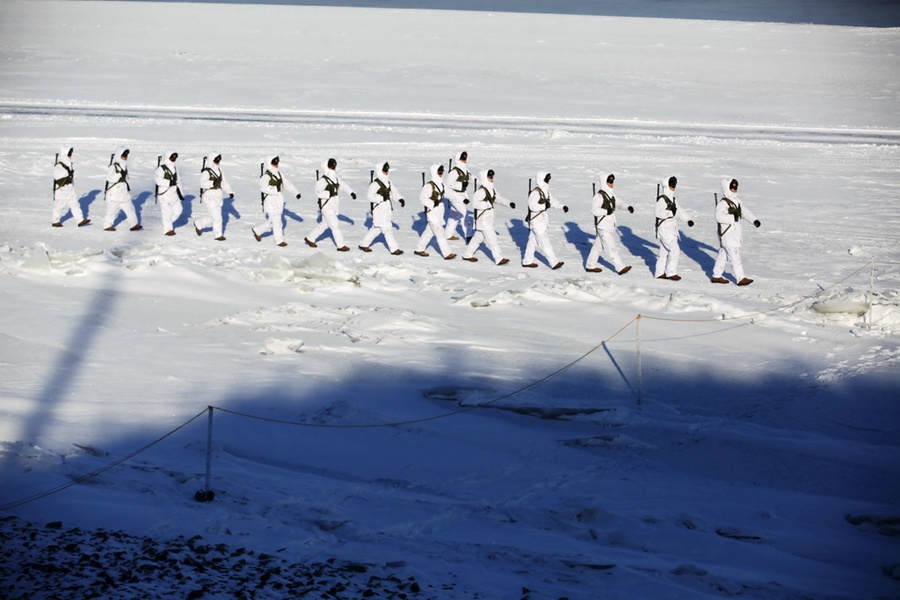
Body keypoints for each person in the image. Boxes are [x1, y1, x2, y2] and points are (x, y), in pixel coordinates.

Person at [711, 178, 760, 286]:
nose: (734, 189)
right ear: (727, 188)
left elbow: (744, 212)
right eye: (732, 187)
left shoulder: (737, 201)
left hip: (734, 233)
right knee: (734, 256)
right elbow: (718, 217)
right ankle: (740, 278)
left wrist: (754, 220)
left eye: (735, 187)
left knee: (723, 254)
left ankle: (716, 275)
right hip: (727, 233)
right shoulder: (723, 203)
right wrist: (733, 218)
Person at [462, 169, 515, 264]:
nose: (492, 179)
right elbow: (475, 204)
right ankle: (499, 258)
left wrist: (508, 203)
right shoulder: (481, 191)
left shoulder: (492, 189)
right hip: (483, 219)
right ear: (485, 178)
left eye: (492, 177)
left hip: (488, 218)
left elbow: (498, 198)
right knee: (492, 238)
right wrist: (487, 204)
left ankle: (467, 254)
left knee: (478, 238)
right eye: (490, 177)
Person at [585, 172, 633, 274]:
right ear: (604, 182)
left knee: (597, 247)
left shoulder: (610, 194)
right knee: (611, 247)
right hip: (603, 226)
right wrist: (606, 211)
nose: (611, 184)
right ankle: (620, 267)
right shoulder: (599, 196)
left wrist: (627, 207)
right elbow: (594, 210)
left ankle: (590, 265)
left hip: (609, 225)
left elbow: (618, 202)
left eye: (612, 182)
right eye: (609, 182)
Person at [305, 158, 356, 251]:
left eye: (334, 166)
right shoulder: (323, 180)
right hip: (326, 206)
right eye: (331, 166)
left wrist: (351, 192)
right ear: (327, 167)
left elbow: (343, 186)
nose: (333, 168)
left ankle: (310, 238)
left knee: (324, 224)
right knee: (335, 225)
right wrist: (328, 193)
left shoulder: (335, 179)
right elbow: (317, 192)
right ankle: (341, 245)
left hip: (334, 205)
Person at [253, 155, 301, 247]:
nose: (276, 165)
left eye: (277, 162)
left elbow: (287, 184)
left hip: (278, 200)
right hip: (270, 201)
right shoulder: (266, 176)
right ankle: (279, 240)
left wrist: (296, 193)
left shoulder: (279, 174)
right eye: (274, 163)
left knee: (272, 221)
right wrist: (275, 190)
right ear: (269, 163)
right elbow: (262, 187)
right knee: (277, 221)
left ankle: (257, 230)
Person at [522, 172, 567, 269]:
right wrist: (543, 206)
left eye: (548, 179)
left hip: (541, 219)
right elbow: (532, 206)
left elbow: (552, 201)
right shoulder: (535, 193)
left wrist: (562, 206)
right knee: (545, 242)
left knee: (532, 242)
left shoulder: (545, 191)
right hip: (536, 220)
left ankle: (527, 261)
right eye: (546, 179)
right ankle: (554, 262)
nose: (548, 181)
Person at [359, 161, 405, 255]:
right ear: (380, 170)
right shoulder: (375, 184)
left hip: (386, 209)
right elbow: (369, 196)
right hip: (379, 209)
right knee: (387, 229)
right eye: (384, 170)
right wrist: (380, 198)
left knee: (376, 229)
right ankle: (394, 249)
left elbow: (394, 192)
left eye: (387, 170)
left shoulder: (388, 182)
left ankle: (364, 244)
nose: (386, 172)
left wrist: (399, 199)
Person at [654, 175, 694, 281]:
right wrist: (669, 212)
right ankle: (671, 272)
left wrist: (687, 219)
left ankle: (659, 272)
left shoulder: (672, 199)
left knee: (664, 251)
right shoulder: (662, 199)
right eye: (671, 185)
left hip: (671, 227)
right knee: (674, 250)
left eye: (674, 185)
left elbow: (679, 211)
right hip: (665, 228)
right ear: (666, 185)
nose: (673, 187)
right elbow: (658, 213)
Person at [414, 164, 456, 260]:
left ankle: (419, 249)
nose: (441, 174)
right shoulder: (429, 186)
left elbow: (449, 193)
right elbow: (422, 199)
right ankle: (447, 253)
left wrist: (461, 199)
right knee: (440, 233)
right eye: (439, 173)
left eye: (441, 172)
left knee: (429, 232)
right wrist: (433, 204)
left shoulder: (441, 184)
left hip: (439, 212)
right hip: (432, 213)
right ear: (434, 173)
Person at [194, 152, 234, 241]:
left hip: (218, 195)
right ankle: (218, 235)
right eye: (216, 160)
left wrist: (229, 191)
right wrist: (212, 183)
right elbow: (202, 184)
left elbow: (223, 182)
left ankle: (199, 224)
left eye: (219, 160)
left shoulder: (219, 170)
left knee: (214, 216)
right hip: (209, 195)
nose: (217, 162)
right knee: (217, 217)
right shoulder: (206, 172)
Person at [102, 147, 142, 232]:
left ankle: (134, 224)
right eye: (123, 155)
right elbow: (109, 178)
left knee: (130, 209)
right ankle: (107, 225)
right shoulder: (113, 167)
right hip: (114, 194)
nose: (125, 157)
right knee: (111, 211)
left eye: (126, 155)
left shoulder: (124, 166)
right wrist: (119, 176)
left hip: (123, 194)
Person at [51, 146, 89, 228]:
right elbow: (56, 176)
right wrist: (66, 174)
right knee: (59, 205)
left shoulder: (70, 164)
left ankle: (80, 220)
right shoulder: (59, 165)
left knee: (75, 204)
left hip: (70, 188)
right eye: (69, 154)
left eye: (71, 154)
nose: (70, 156)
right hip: (61, 189)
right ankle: (55, 221)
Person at [155, 150, 185, 236]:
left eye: (174, 158)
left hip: (174, 194)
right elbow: (158, 180)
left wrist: (181, 194)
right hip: (164, 195)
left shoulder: (175, 168)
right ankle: (167, 230)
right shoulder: (161, 169)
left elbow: (178, 181)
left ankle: (166, 223)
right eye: (172, 158)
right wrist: (168, 182)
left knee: (178, 210)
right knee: (167, 213)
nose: (173, 160)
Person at [444, 150, 472, 241]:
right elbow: (447, 186)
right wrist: (460, 185)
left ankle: (448, 234)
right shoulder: (454, 172)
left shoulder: (465, 171)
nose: (465, 160)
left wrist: (483, 183)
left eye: (465, 158)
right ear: (458, 159)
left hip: (463, 195)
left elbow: (472, 178)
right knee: (464, 214)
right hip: (454, 196)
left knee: (455, 215)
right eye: (463, 159)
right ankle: (469, 236)